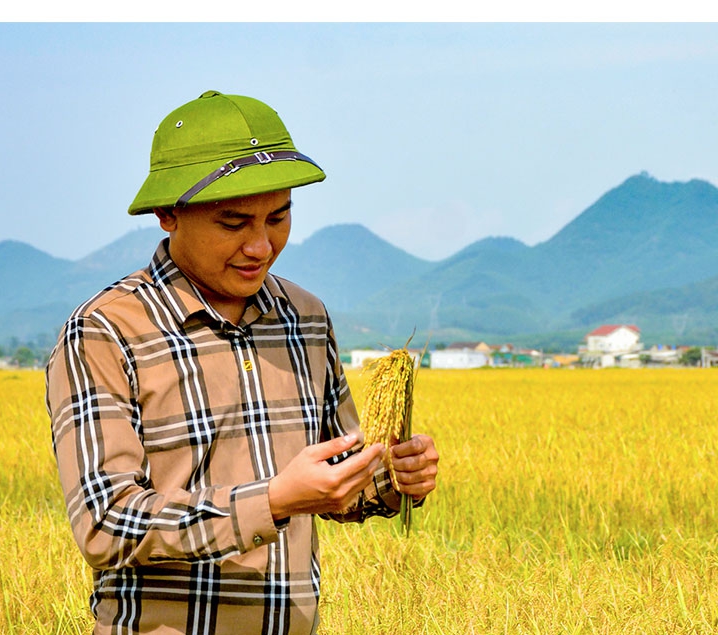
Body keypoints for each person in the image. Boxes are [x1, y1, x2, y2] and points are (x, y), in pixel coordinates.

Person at [45, 91, 442, 634]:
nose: (261, 246)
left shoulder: (304, 317)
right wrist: (272, 501)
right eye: (234, 224)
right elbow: (105, 523)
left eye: (279, 217)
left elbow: (338, 479)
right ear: (168, 214)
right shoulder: (105, 332)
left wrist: (392, 475)